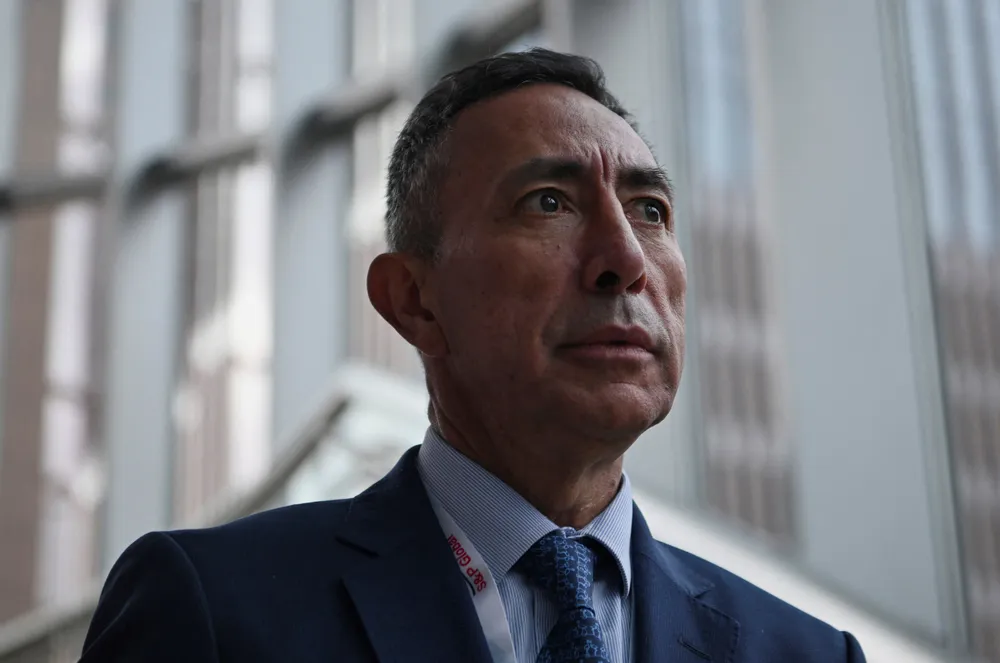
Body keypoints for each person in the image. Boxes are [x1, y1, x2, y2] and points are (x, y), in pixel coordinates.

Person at [80, 49, 866, 663]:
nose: (625, 259)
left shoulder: (808, 654)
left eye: (650, 210)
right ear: (414, 300)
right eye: (548, 202)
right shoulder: (216, 611)